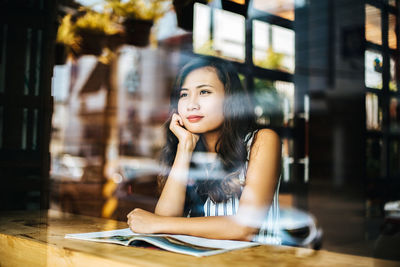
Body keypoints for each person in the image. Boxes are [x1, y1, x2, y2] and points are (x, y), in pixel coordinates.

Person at [127, 57, 282, 244]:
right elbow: (166, 218)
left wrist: (157, 223)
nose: (191, 104)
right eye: (184, 95)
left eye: (204, 92)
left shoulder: (261, 140)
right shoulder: (189, 150)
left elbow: (244, 227)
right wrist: (184, 147)